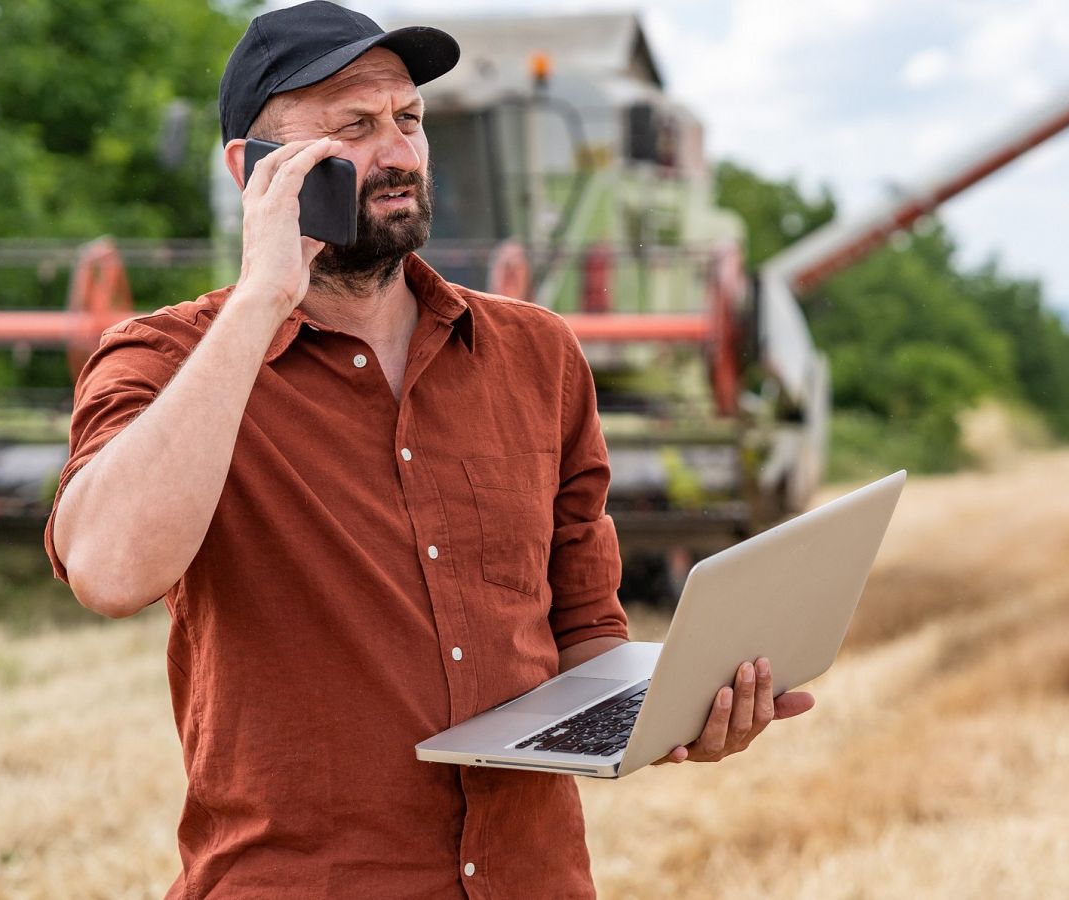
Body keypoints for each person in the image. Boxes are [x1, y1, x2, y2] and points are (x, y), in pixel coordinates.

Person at [43, 3, 812, 896]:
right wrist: (260, 300)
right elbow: (107, 570)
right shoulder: (167, 360)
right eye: (354, 127)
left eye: (408, 119)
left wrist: (675, 711)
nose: (401, 152)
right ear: (250, 168)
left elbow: (583, 634)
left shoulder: (538, 355)